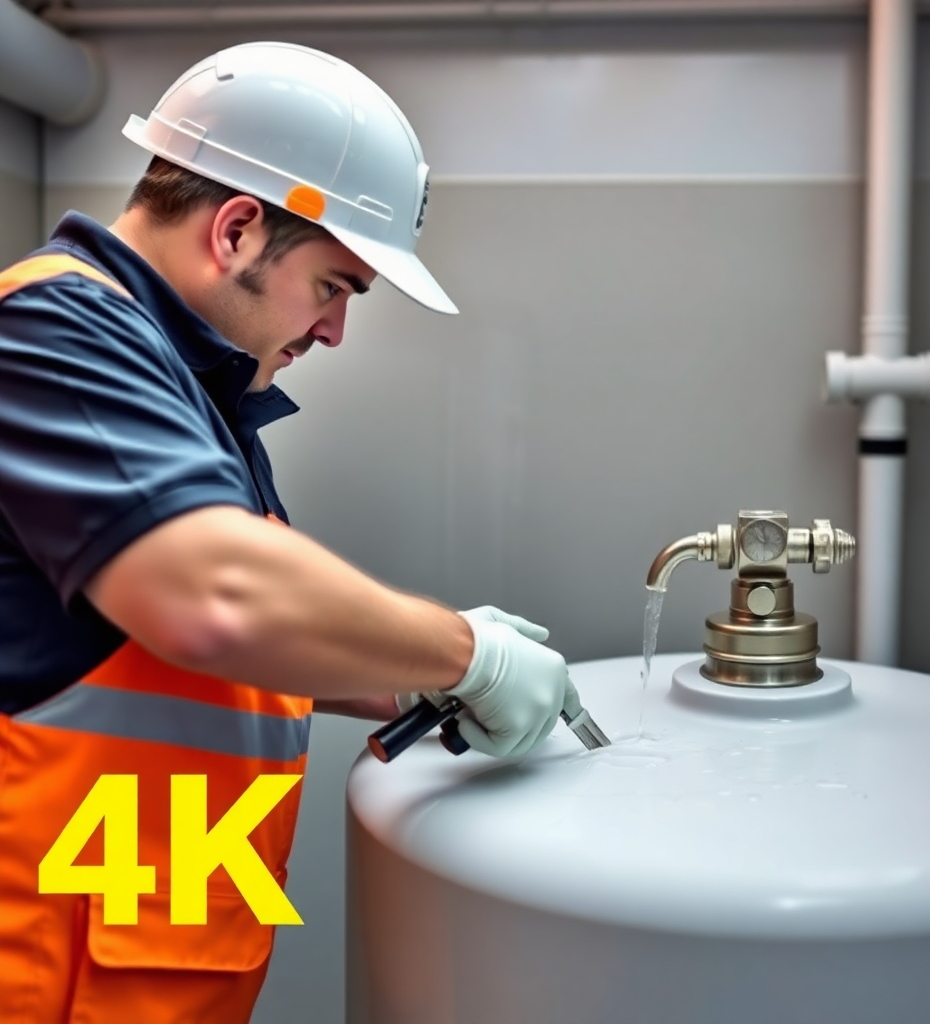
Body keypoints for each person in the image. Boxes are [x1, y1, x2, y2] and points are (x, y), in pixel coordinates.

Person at [0, 41, 573, 1024]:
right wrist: (462, 651)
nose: (335, 332)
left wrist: (406, 681)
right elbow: (215, 597)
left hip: (137, 958)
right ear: (235, 230)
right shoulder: (54, 330)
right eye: (334, 287)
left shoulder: (186, 382)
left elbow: (183, 655)